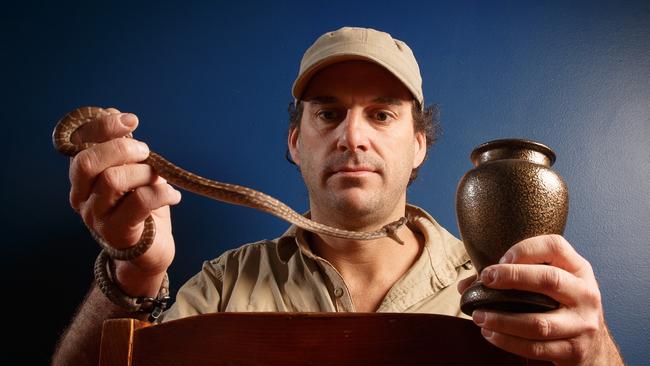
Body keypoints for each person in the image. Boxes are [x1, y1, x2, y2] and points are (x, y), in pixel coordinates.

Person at [52, 27, 624, 365]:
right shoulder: (224, 284)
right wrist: (133, 273)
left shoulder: (501, 281)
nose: (353, 135)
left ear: (419, 145)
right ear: (297, 142)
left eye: (381, 114)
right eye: (329, 113)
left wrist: (594, 350)